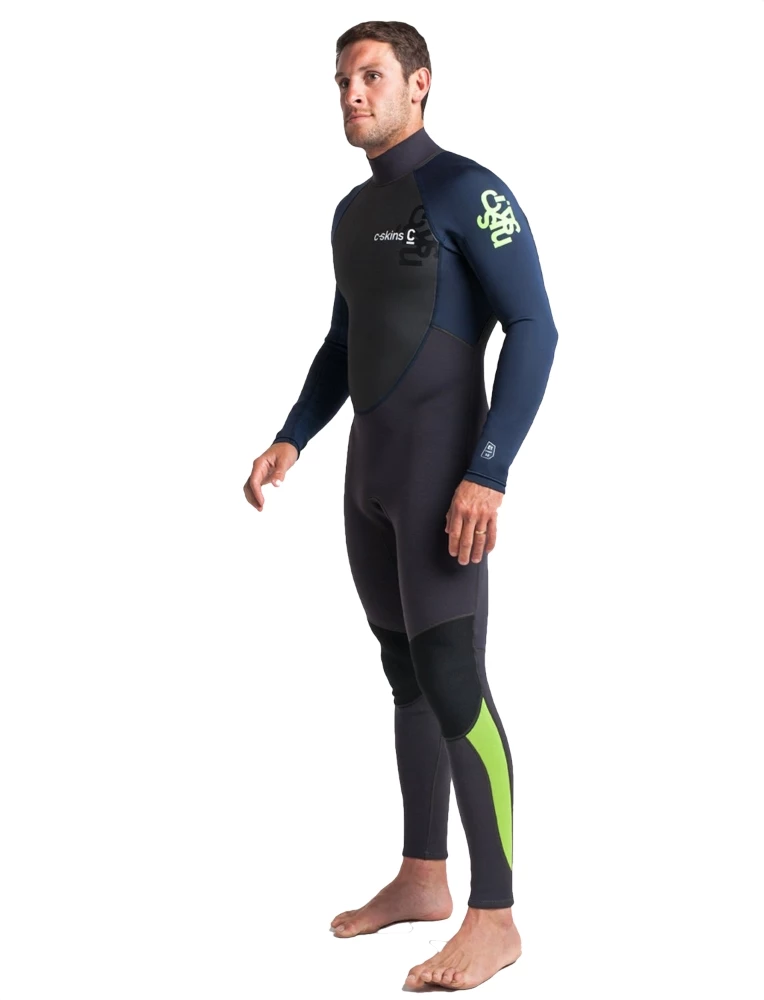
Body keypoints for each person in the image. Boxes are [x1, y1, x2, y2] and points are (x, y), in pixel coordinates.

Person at [244, 19, 558, 991]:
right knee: (406, 678)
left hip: (443, 484)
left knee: (455, 682)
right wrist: (293, 434)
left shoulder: (470, 191)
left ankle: (495, 915)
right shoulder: (351, 212)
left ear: (419, 83)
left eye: (371, 75)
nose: (352, 92)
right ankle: (424, 876)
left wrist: (488, 470)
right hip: (369, 482)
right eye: (342, 79)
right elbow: (345, 342)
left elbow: (535, 328)